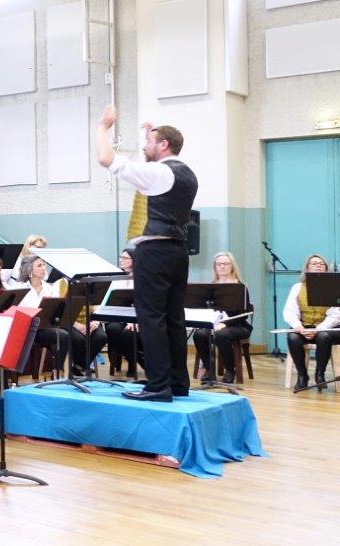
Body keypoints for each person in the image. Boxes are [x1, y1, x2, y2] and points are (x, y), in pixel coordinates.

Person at [96, 105, 198, 402]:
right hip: (178, 251)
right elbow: (150, 172)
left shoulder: (159, 173)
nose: (144, 146)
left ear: (164, 145)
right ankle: (178, 383)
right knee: (173, 319)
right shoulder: (186, 173)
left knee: (150, 318)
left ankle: (157, 387)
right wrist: (149, 133)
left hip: (155, 251)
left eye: (150, 142)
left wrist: (103, 127)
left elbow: (106, 159)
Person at [192, 252, 254, 385]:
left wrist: (224, 324)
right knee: (199, 334)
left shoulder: (240, 287)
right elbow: (205, 309)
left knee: (222, 334)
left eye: (226, 263)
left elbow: (244, 313)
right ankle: (209, 369)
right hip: (215, 324)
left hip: (238, 326)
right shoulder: (211, 287)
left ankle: (230, 370)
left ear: (232, 266)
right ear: (215, 267)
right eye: (219, 264)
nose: (223, 266)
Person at [283, 254, 339, 391]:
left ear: (326, 269)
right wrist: (298, 326)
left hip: (329, 328)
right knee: (293, 337)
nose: (318, 265)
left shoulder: (334, 286)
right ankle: (302, 376)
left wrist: (318, 329)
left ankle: (320, 374)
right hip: (305, 326)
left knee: (323, 336)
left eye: (321, 264)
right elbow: (289, 311)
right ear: (307, 268)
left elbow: (336, 314)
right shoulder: (297, 287)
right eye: (314, 263)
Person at [15, 255, 73, 375]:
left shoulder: (49, 287)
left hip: (45, 327)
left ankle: (60, 371)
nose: (43, 268)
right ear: (29, 269)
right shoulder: (19, 287)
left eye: (44, 265)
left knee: (67, 334)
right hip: (27, 329)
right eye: (39, 265)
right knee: (63, 335)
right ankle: (58, 371)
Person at [104, 249, 141, 377]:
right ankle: (129, 359)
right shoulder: (116, 277)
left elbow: (142, 303)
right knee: (112, 328)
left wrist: (135, 321)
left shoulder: (141, 277)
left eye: (125, 258)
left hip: (137, 318)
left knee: (128, 333)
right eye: (121, 257)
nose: (121, 260)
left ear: (134, 260)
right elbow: (108, 299)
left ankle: (132, 363)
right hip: (118, 316)